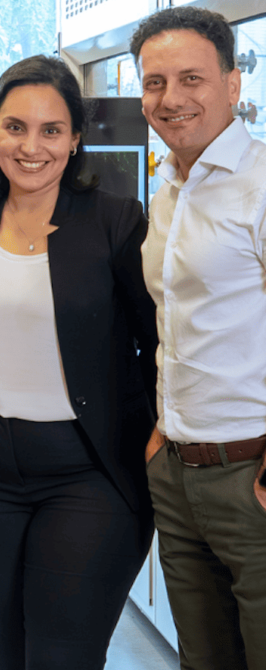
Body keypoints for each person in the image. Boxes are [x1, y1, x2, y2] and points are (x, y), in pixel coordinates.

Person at [0, 55, 157, 669]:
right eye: (15, 127)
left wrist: (162, 433)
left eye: (51, 130)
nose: (32, 146)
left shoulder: (116, 222)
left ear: (75, 139)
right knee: (11, 657)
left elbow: (158, 341)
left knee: (60, 660)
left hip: (88, 476)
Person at [130, 7, 266, 669]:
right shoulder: (167, 192)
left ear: (233, 85)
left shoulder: (263, 184)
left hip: (254, 476)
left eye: (192, 78)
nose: (172, 98)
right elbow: (173, 323)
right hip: (178, 474)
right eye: (155, 82)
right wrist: (163, 430)